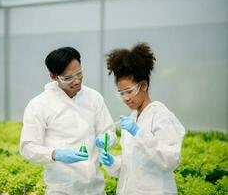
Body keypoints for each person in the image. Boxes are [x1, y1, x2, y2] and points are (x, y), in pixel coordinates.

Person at [20, 46, 116, 194]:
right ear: (53, 76)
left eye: (79, 73)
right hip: (61, 189)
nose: (76, 81)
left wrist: (106, 138)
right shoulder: (39, 105)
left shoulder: (93, 97)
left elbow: (108, 130)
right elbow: (27, 147)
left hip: (95, 187)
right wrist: (55, 154)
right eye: (68, 78)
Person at [99, 43, 185, 194]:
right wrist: (113, 162)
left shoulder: (160, 115)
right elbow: (131, 168)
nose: (126, 98)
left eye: (129, 91)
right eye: (121, 93)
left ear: (144, 85)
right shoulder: (132, 119)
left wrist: (139, 133)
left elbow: (170, 159)